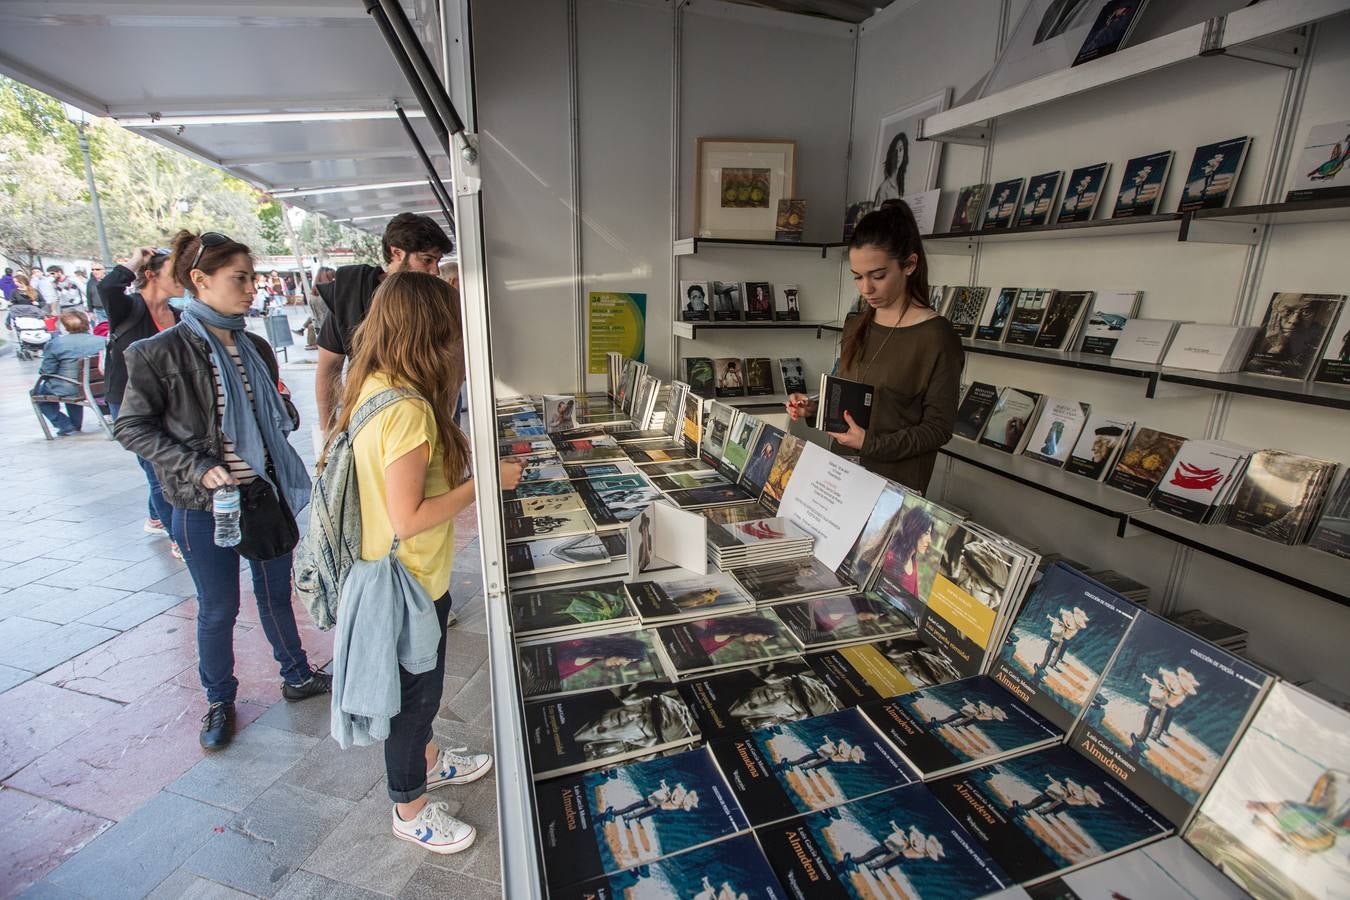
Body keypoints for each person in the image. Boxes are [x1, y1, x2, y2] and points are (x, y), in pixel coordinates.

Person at [114, 230, 330, 752]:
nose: (252, 288)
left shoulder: (254, 345)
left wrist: (281, 415)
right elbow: (131, 427)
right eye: (240, 278)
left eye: (253, 277)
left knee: (276, 594)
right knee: (218, 607)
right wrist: (195, 466)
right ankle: (219, 699)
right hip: (199, 503)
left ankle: (297, 675)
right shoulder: (156, 352)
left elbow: (269, 410)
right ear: (200, 280)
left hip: (261, 492)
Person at [334, 270, 519, 853]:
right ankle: (409, 805)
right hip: (407, 582)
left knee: (423, 688)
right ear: (432, 333)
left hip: (397, 574)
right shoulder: (409, 411)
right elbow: (409, 516)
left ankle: (431, 759)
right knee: (413, 700)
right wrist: (486, 483)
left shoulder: (375, 385)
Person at [786, 203, 963, 493]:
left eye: (878, 276)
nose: (866, 288)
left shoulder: (936, 336)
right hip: (840, 477)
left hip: (893, 489)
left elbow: (938, 429)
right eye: (857, 276)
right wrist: (813, 408)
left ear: (909, 265)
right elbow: (848, 397)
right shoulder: (856, 324)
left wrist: (871, 444)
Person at [315, 213, 456, 432]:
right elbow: (328, 369)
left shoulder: (434, 301)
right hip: (369, 422)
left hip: (422, 419)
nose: (435, 271)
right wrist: (329, 434)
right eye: (427, 260)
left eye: (437, 262)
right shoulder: (350, 293)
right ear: (397, 252)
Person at [100, 247, 183, 555]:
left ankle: (155, 516)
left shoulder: (178, 315)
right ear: (150, 275)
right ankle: (180, 539)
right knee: (157, 470)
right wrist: (134, 260)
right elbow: (107, 287)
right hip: (130, 403)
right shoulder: (128, 307)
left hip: (170, 402)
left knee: (167, 465)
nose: (182, 279)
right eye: (174, 272)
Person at [32, 309, 106, 436]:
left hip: (71, 388)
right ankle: (74, 424)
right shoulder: (101, 340)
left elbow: (46, 371)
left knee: (38, 394)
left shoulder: (56, 343)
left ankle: (64, 425)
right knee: (73, 386)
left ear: (65, 326)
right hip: (99, 385)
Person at [884, 505, 934, 601]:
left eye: (930, 534)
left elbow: (915, 600)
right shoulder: (890, 557)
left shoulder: (913, 561)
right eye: (927, 533)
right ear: (914, 530)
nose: (930, 540)